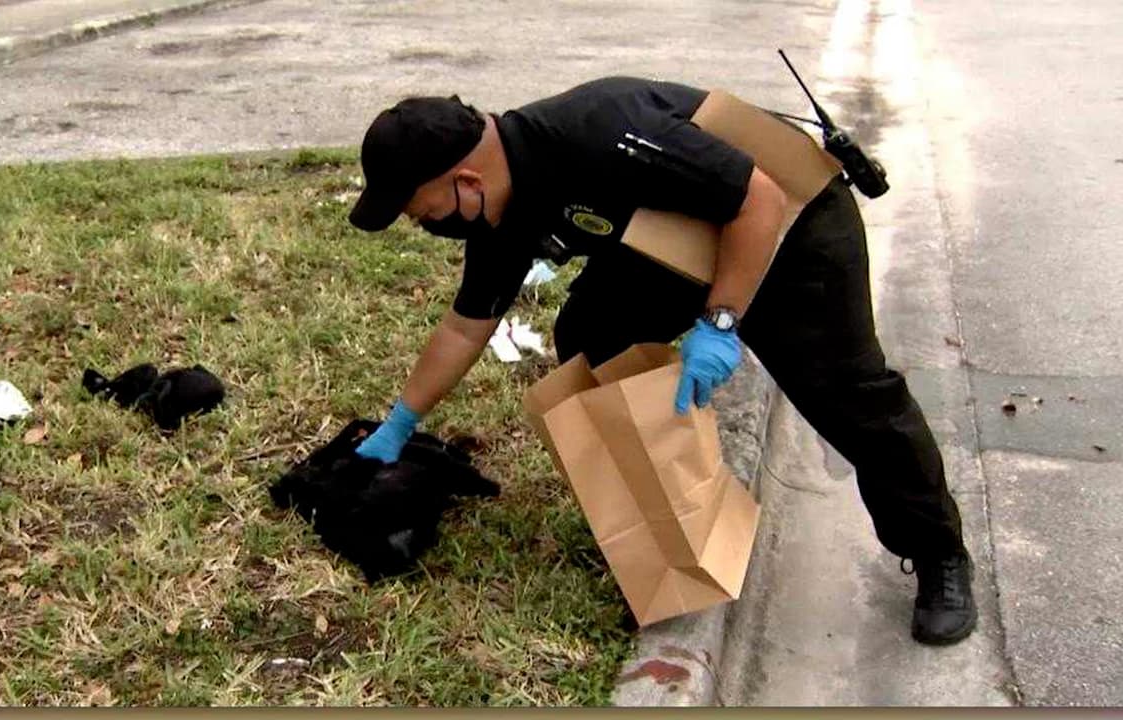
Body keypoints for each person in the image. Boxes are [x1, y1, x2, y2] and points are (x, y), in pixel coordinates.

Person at [344, 76, 976, 646]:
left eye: (423, 211)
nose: (424, 224)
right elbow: (465, 326)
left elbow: (756, 198)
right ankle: (672, 523)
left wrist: (721, 322)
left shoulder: (598, 130)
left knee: (851, 395)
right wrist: (401, 422)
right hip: (680, 239)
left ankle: (939, 551)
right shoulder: (498, 213)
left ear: (467, 181)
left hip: (787, 226)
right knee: (594, 334)